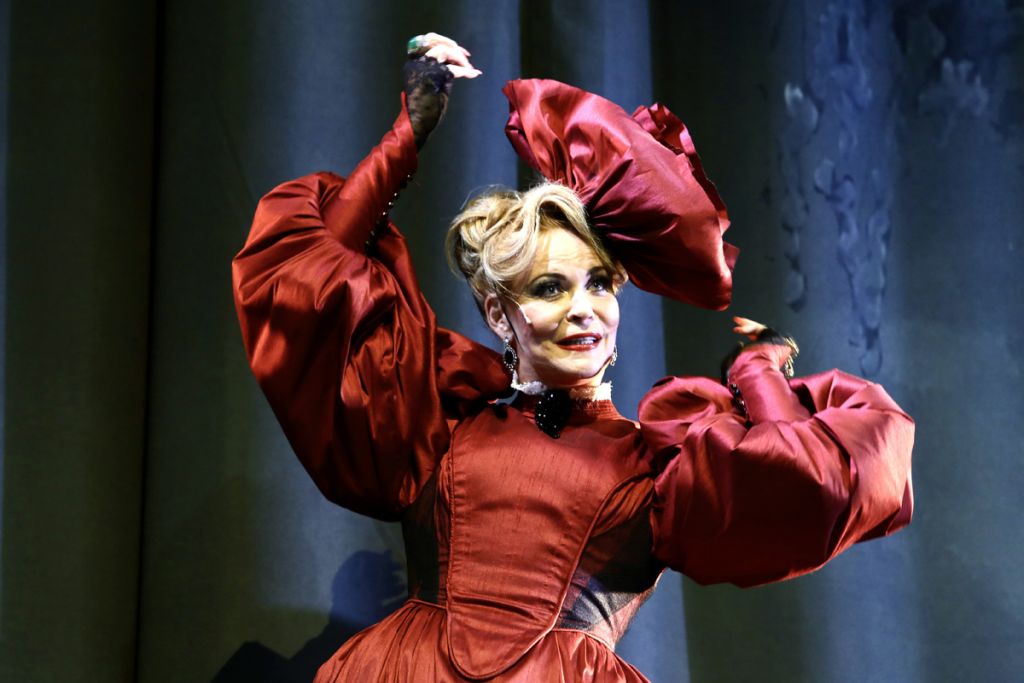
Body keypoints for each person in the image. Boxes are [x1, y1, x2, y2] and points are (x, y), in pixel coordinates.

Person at [232, 33, 914, 683]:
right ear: (498, 314)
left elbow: (819, 480)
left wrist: (756, 372)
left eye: (599, 284)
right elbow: (309, 281)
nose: (584, 308)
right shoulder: (440, 423)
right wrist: (404, 140)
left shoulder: (657, 466)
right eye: (550, 288)